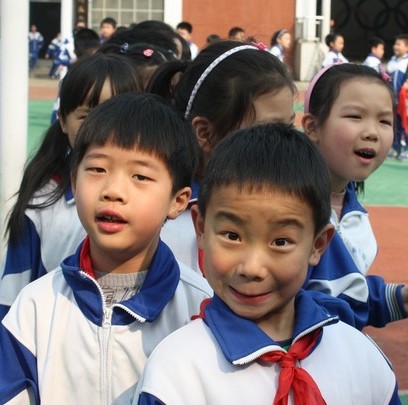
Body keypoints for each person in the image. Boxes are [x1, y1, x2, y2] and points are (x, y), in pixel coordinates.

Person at [134, 123, 401, 405]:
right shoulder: (175, 374)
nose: (252, 268)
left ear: (318, 244)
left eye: (280, 242)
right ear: (201, 229)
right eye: (232, 236)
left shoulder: (362, 361)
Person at [0, 92, 212, 403]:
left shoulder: (201, 307)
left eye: (140, 176)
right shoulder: (35, 307)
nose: (113, 191)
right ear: (74, 180)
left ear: (178, 201)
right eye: (98, 169)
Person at [0, 53, 143, 321]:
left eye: (115, 115)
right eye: (87, 116)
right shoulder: (41, 202)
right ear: (63, 121)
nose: (102, 129)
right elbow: (11, 297)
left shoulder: (157, 195)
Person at [148, 40, 296, 272]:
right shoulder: (157, 216)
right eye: (269, 130)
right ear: (205, 133)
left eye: (289, 128)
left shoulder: (296, 205)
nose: (286, 144)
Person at [302, 63, 408, 327]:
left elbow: (347, 292)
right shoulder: (289, 208)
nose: (372, 132)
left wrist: (399, 298)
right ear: (312, 127)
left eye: (384, 121)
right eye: (355, 116)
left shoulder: (352, 210)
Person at [386, 33, 408, 159]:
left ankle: (406, 149)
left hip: (405, 102)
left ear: (407, 47)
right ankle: (395, 148)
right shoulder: (392, 61)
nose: (395, 46)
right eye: (395, 44)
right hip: (393, 101)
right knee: (395, 124)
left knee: (406, 124)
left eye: (399, 44)